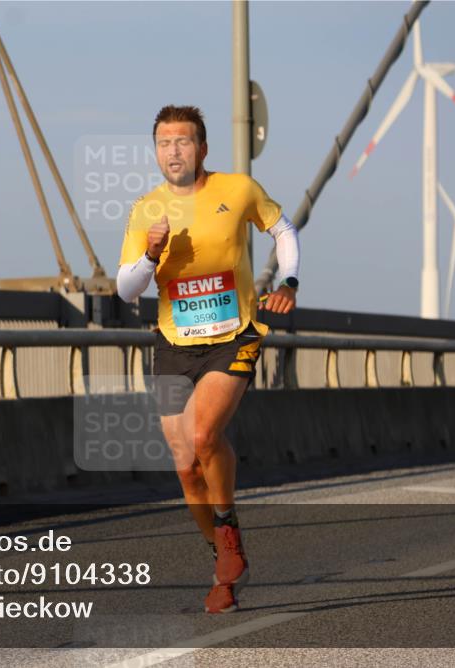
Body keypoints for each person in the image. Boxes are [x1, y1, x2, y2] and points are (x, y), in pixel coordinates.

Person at [116, 105, 300, 613]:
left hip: (232, 336)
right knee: (184, 467)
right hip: (175, 345)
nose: (173, 151)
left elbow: (282, 229)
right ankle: (223, 558)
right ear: (155, 151)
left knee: (202, 437)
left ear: (203, 148)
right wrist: (151, 257)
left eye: (183, 141)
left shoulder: (237, 189)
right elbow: (125, 288)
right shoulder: (146, 210)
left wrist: (288, 280)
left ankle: (227, 533)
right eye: (163, 143)